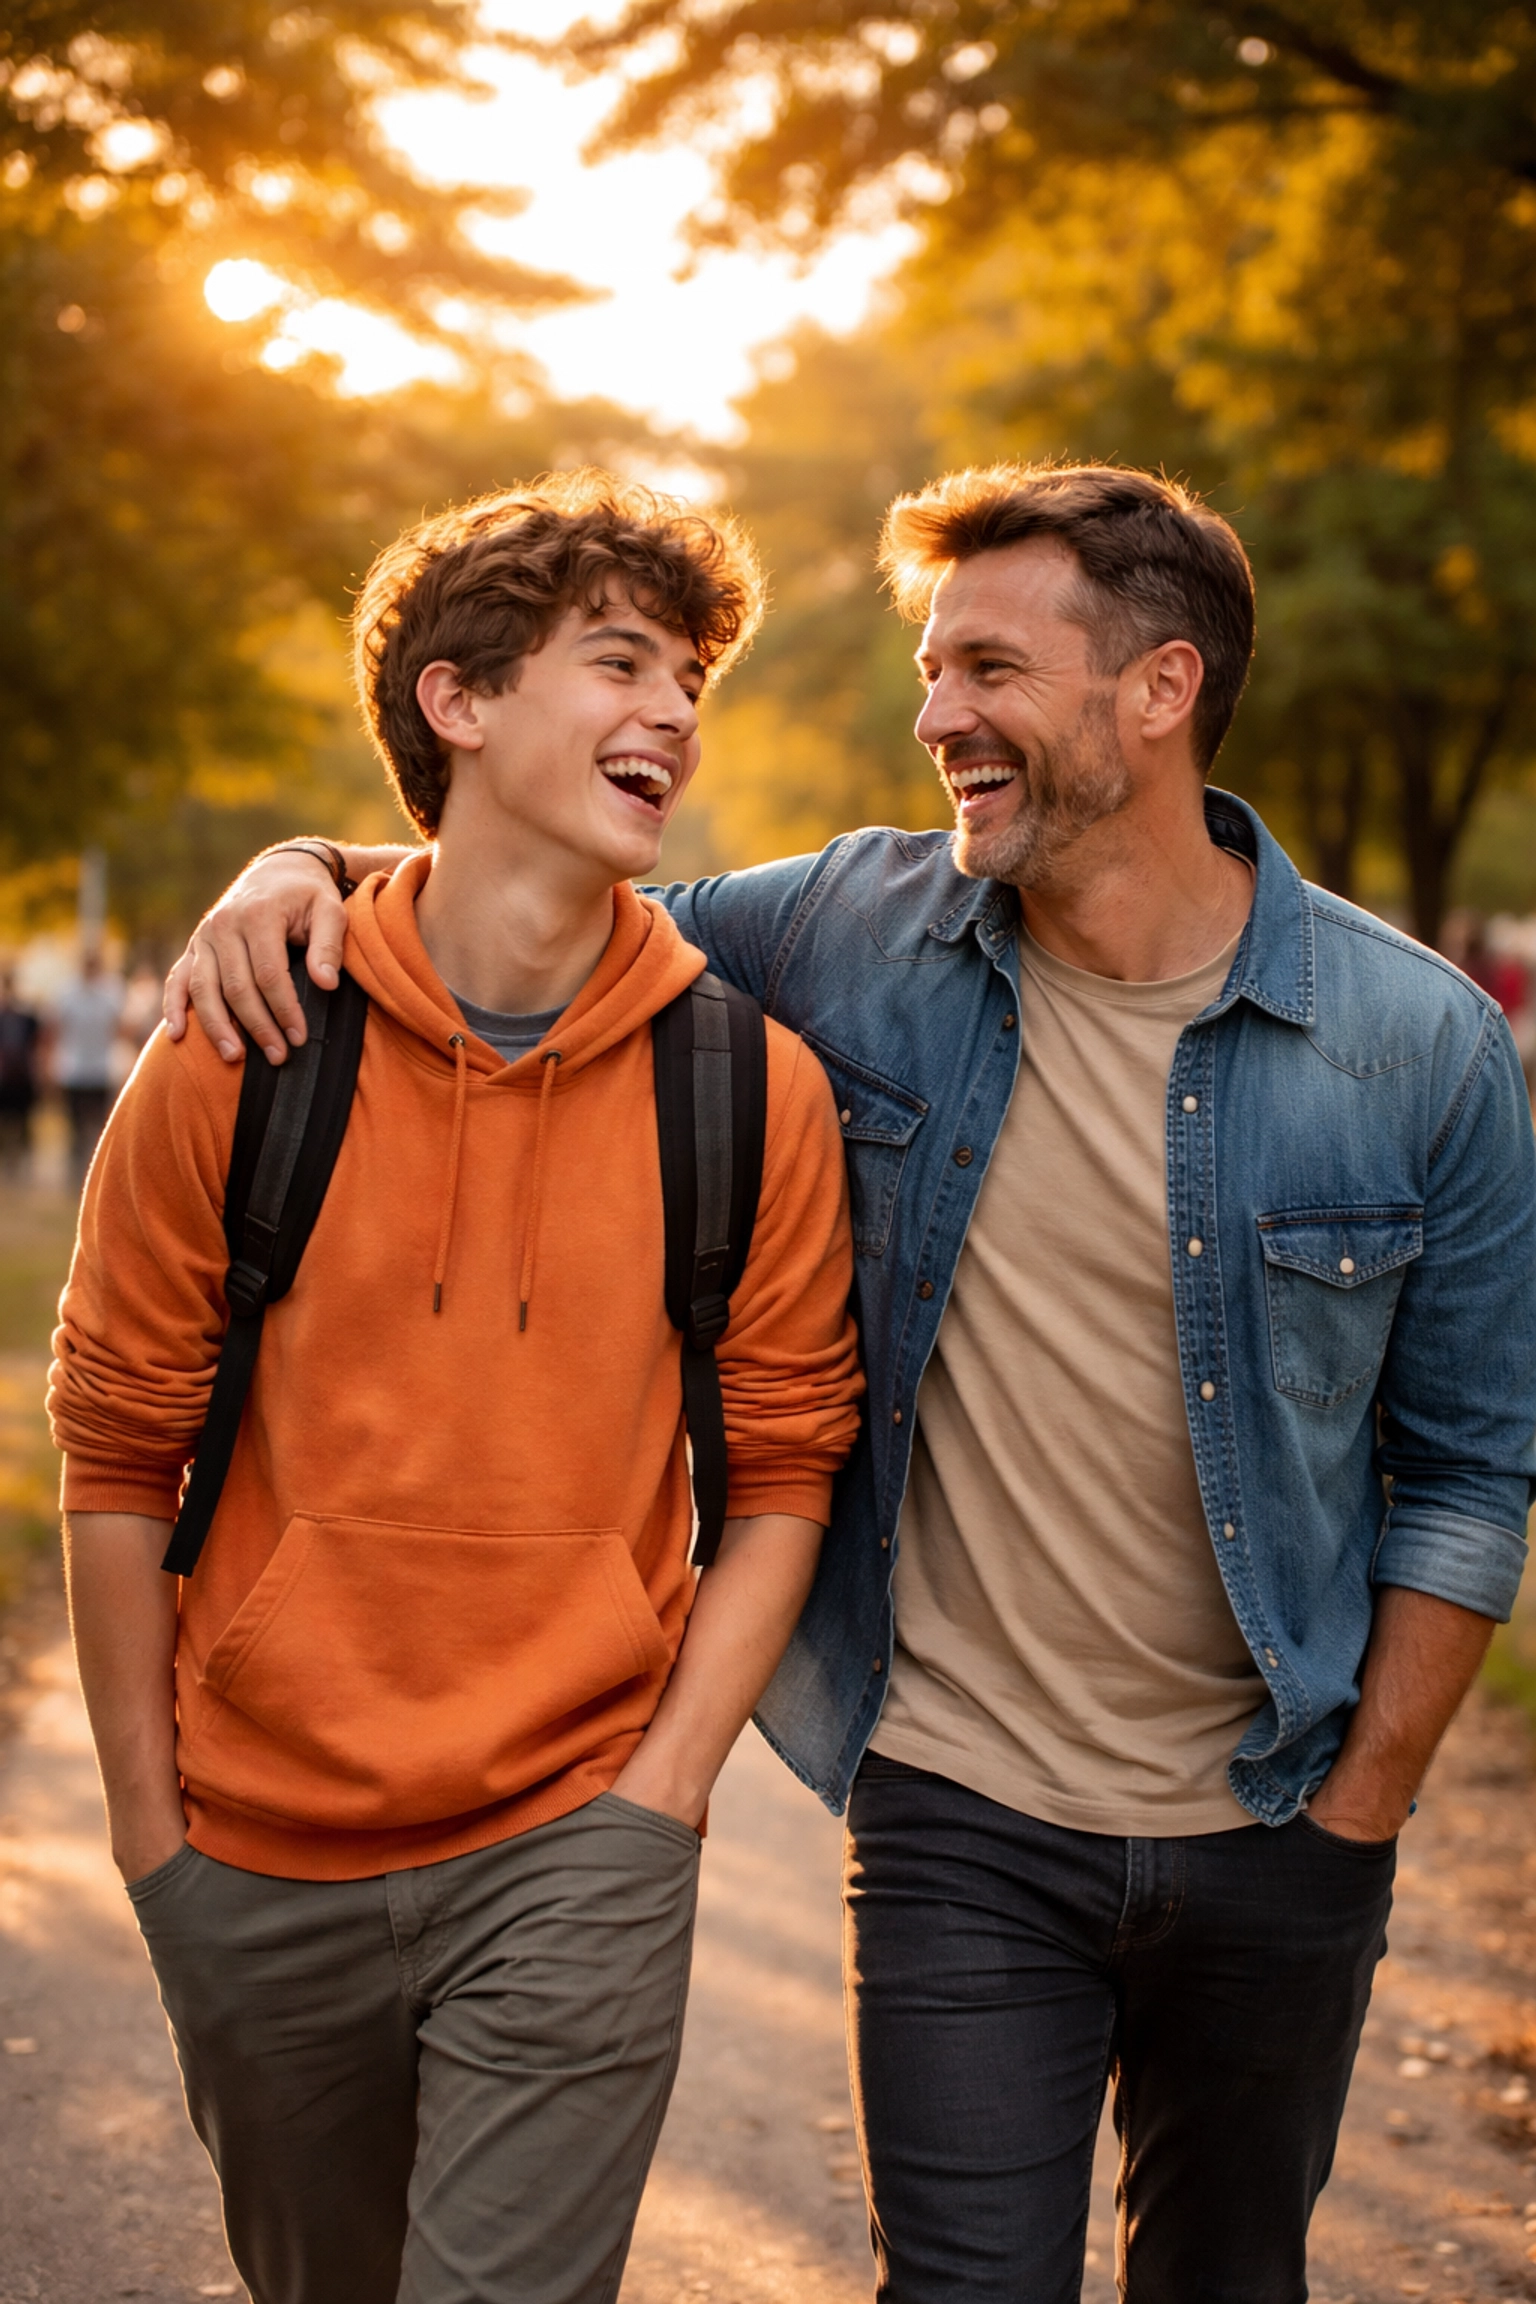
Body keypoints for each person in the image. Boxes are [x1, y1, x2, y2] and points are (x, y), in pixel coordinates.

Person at [167, 462, 1536, 2304]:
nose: (934, 715)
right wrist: (304, 868)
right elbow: (520, 880)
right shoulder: (847, 933)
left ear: (1160, 685)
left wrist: (1364, 1804)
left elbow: (1468, 1462)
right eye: (927, 667)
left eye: (987, 666)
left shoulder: (1417, 1041)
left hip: (1281, 1812)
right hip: (960, 1805)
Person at [52, 473, 862, 2304]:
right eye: (618, 660)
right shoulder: (240, 1046)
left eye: (689, 678)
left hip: (574, 1833)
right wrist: (148, 1833)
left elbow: (790, 1473)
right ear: (460, 700)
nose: (673, 710)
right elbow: (115, 1440)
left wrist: (658, 1796)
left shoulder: (750, 1089)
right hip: (252, 1850)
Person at [52, 945, 123, 1184]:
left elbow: (119, 1028)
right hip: (74, 1069)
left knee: (100, 1127)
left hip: (101, 1069)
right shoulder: (68, 992)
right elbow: (57, 1029)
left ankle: (96, 1175)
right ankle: (74, 1175)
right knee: (74, 1127)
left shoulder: (110, 991)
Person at [0, 970, 40, 1178]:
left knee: (23, 1120)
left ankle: (20, 1162)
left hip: (22, 1074)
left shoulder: (26, 1016)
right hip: (5, 1075)